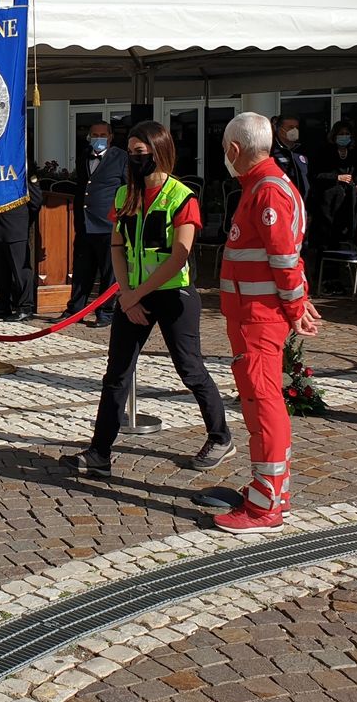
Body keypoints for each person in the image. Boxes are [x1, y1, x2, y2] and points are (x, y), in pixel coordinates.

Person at [61, 122, 231, 479]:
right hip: (133, 295)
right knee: (116, 375)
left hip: (173, 294)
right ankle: (99, 452)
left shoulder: (182, 196)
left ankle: (221, 436)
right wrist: (126, 294)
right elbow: (117, 247)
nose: (134, 160)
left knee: (190, 369)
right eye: (132, 152)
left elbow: (177, 257)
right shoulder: (125, 195)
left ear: (160, 152)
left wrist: (135, 294)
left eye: (141, 153)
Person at [216, 112, 319, 534]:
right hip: (251, 316)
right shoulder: (262, 186)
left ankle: (266, 504)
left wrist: (297, 308)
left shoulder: (267, 190)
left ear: (234, 150)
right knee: (260, 403)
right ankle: (270, 491)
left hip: (258, 318)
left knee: (263, 403)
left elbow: (283, 259)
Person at [63, 120, 126, 326]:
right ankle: (75, 310)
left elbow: (127, 189)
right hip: (85, 223)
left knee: (109, 271)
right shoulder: (84, 157)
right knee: (82, 269)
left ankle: (105, 312)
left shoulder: (121, 157)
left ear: (110, 137)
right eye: (94, 135)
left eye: (102, 135)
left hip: (108, 224)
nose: (98, 139)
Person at [308, 121, 357, 263]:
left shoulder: (354, 153)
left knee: (341, 236)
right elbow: (315, 175)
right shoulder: (324, 152)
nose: (344, 137)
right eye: (341, 134)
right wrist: (336, 178)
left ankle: (338, 274)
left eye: (347, 134)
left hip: (347, 201)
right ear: (334, 135)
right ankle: (324, 275)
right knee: (325, 240)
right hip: (328, 202)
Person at [0, 174, 42, 321]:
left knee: (21, 271)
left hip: (16, 225)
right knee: (0, 271)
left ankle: (25, 307)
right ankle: (3, 304)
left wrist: (24, 221)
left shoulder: (22, 164)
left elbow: (36, 200)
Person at [271, 115, 312, 201]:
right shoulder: (272, 152)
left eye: (296, 127)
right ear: (280, 129)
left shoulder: (302, 151)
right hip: (282, 203)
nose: (294, 130)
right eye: (290, 127)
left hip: (303, 206)